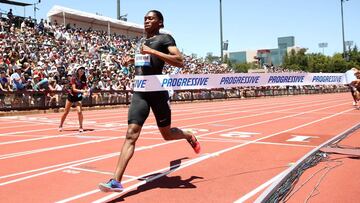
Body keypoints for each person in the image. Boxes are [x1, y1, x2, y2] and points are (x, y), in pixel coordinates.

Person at [98, 10, 200, 192]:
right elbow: (147, 64)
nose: (146, 21)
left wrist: (152, 51)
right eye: (145, 18)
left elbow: (179, 61)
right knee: (131, 133)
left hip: (158, 91)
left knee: (167, 135)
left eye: (151, 18)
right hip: (140, 92)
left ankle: (187, 134)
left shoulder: (165, 39)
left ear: (160, 23)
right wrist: (134, 60)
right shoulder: (142, 42)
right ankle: (115, 180)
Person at [59, 65, 89, 133]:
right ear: (77, 71)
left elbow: (84, 88)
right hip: (71, 96)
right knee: (66, 112)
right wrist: (82, 91)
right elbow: (74, 89)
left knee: (79, 111)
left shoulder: (84, 79)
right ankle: (61, 125)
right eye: (80, 69)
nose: (81, 71)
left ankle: (81, 126)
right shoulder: (74, 79)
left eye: (83, 70)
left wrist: (85, 92)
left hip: (78, 97)